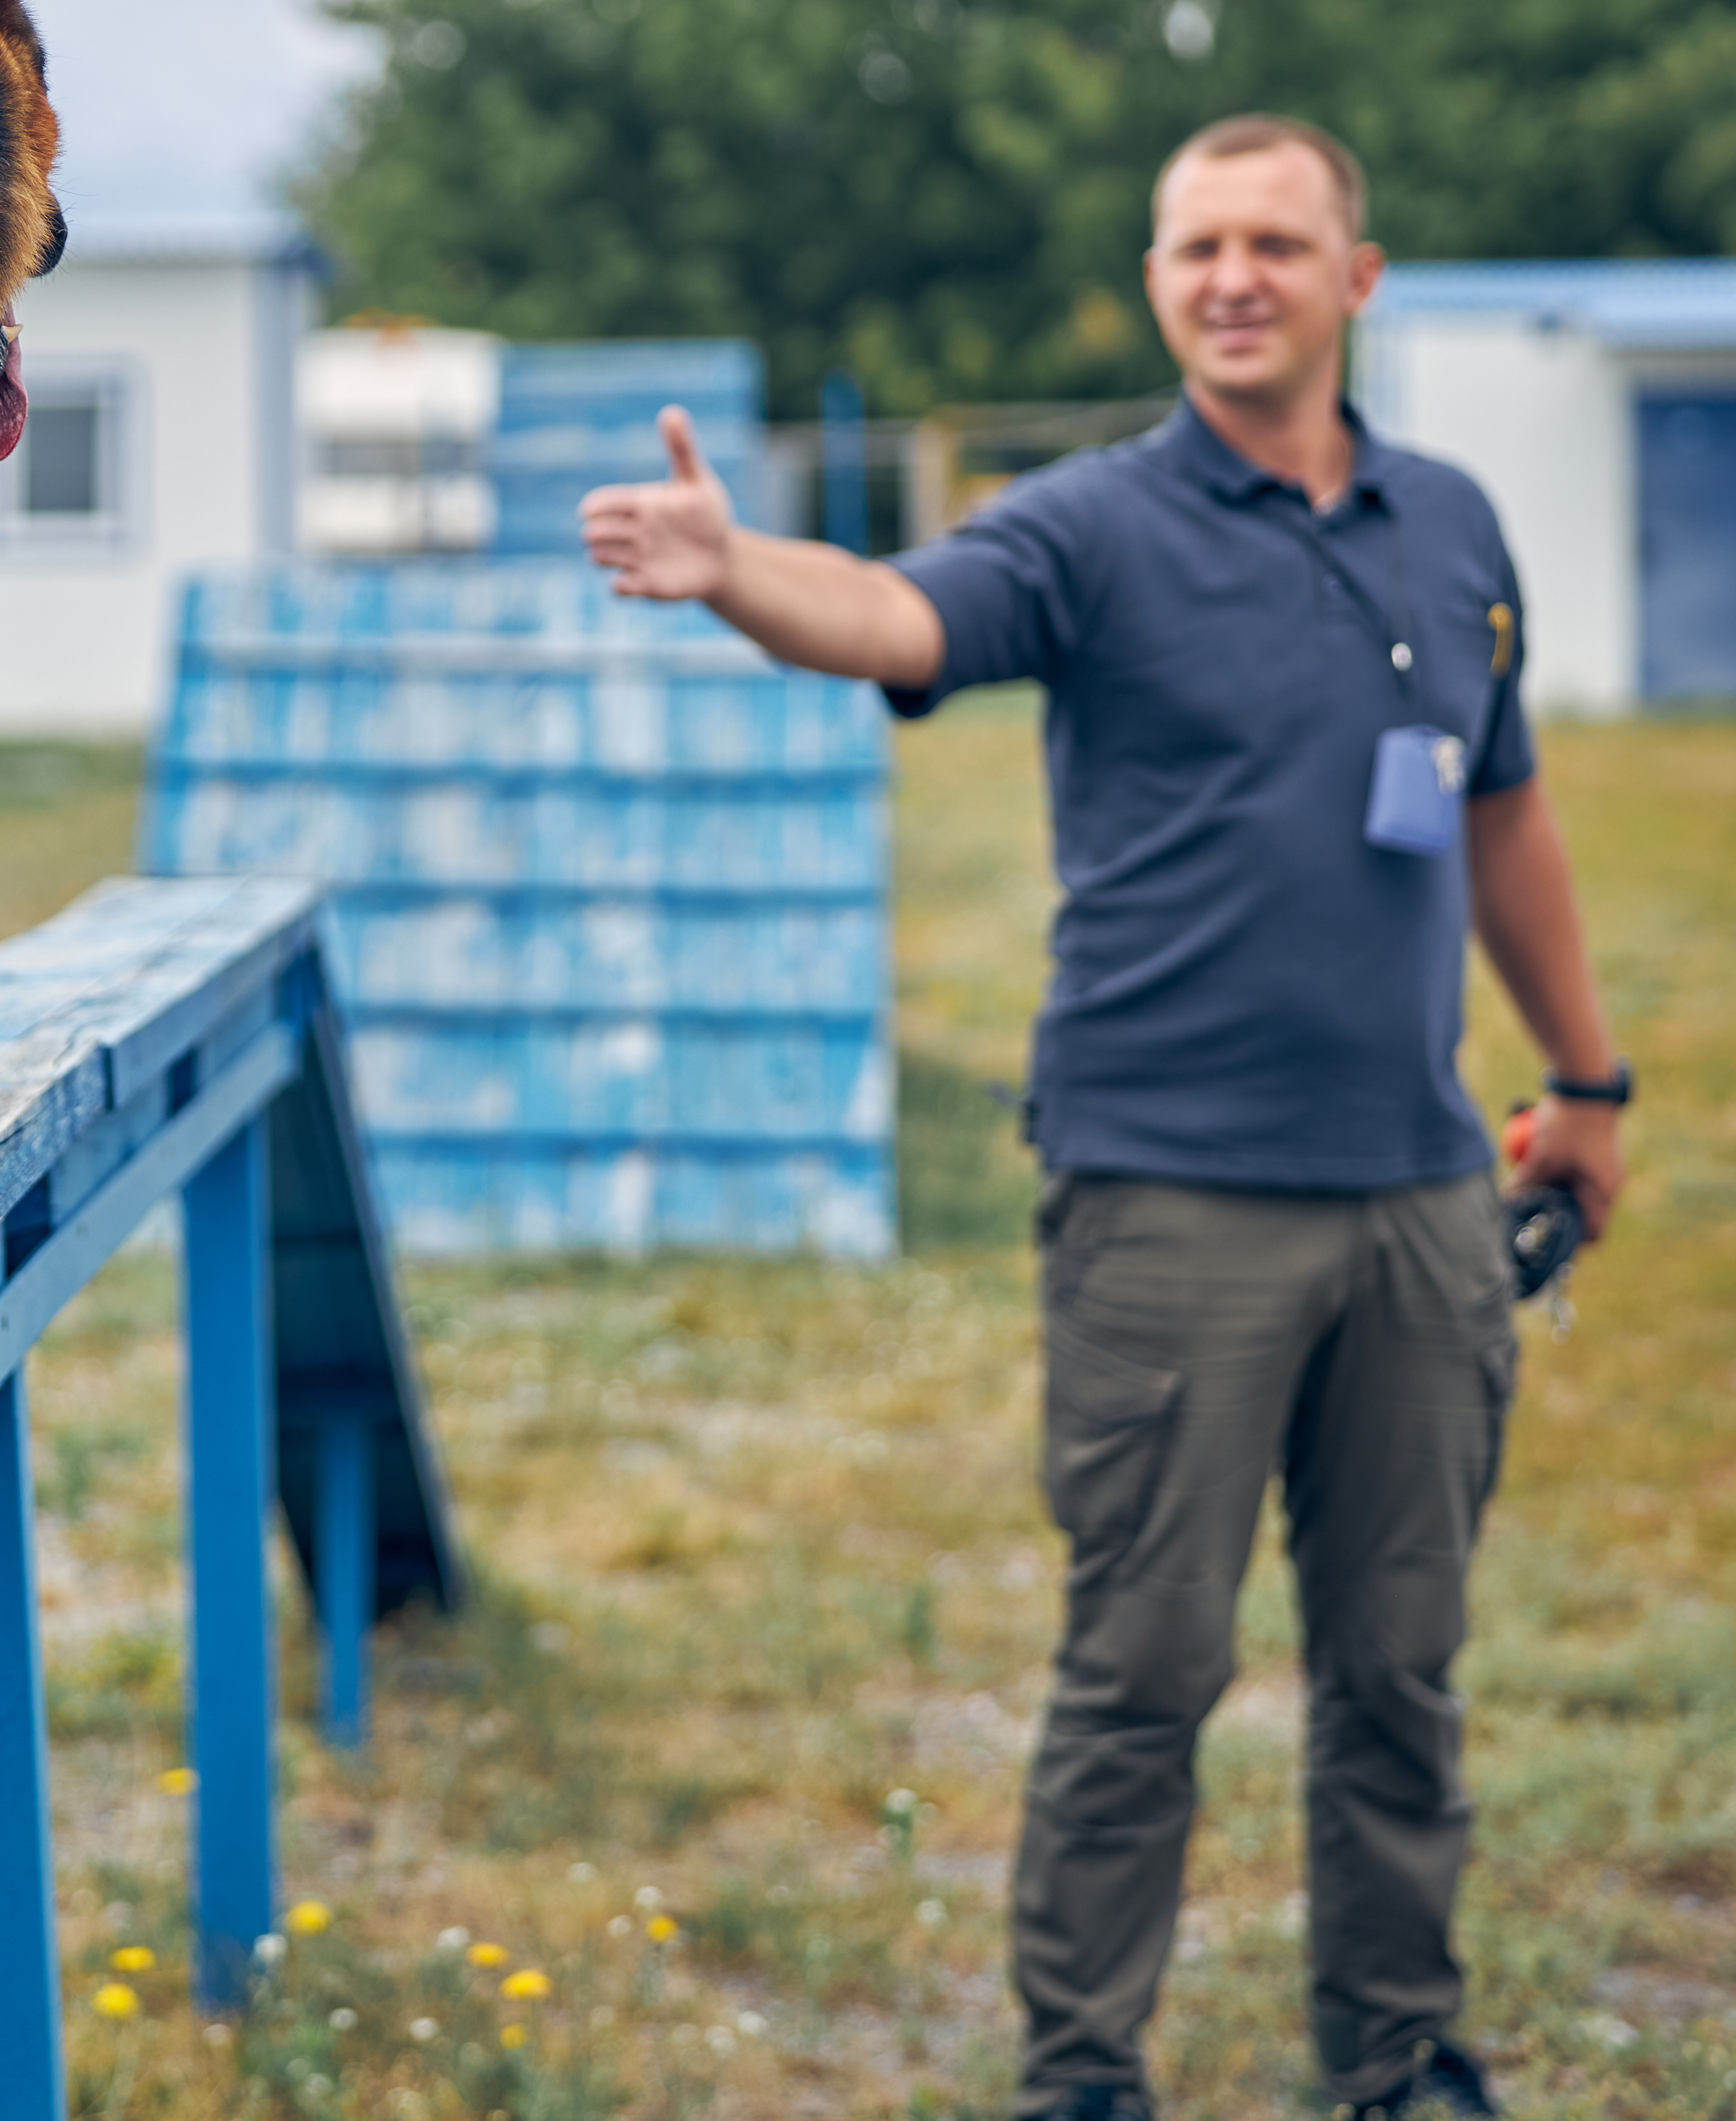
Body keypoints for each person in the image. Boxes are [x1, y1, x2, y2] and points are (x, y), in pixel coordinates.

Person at [580, 114, 1630, 2121]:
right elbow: (899, 616)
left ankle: (1402, 2059)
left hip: (1420, 1197)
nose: (1231, 277)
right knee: (1143, 1676)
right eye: (1193, 247)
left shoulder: (1455, 525)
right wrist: (738, 575)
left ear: (1358, 278)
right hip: (1171, 1203)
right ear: (1159, 283)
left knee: (1401, 1674)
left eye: (1273, 242)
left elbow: (1503, 809)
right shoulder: (1092, 529)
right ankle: (1082, 2076)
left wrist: (1586, 1080)